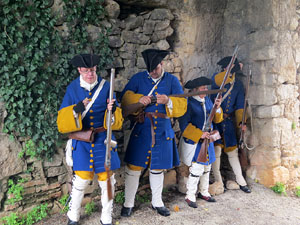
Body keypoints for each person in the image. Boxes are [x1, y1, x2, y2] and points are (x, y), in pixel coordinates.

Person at [57, 54, 123, 225]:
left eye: (92, 70)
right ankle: (73, 215)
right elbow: (62, 121)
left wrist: (112, 109)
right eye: (86, 71)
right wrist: (77, 109)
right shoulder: (73, 89)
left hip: (103, 139)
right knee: (81, 180)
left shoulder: (106, 86)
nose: (90, 74)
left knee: (107, 180)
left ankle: (106, 216)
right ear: (80, 70)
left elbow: (116, 121)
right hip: (83, 141)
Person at [119, 49, 187, 217]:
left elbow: (183, 104)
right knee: (133, 167)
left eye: (156, 69)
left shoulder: (171, 80)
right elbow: (125, 98)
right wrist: (139, 100)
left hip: (163, 129)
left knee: (157, 168)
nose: (153, 72)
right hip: (142, 129)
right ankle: (128, 203)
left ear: (161, 64)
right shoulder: (138, 79)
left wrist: (168, 100)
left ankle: (157, 202)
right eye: (150, 70)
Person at [178, 77, 223, 208]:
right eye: (203, 88)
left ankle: (204, 191)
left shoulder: (208, 101)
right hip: (195, 141)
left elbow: (217, 119)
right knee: (197, 168)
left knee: (207, 167)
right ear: (195, 90)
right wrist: (199, 134)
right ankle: (190, 195)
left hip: (207, 141)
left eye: (206, 88)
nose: (206, 90)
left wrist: (217, 107)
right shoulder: (189, 104)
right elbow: (184, 126)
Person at [210, 56, 251, 193]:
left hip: (227, 122)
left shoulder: (237, 84)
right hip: (216, 121)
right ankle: (219, 181)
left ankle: (241, 180)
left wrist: (241, 122)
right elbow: (219, 80)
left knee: (232, 152)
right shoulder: (217, 79)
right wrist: (234, 68)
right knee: (217, 151)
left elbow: (240, 106)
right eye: (229, 67)